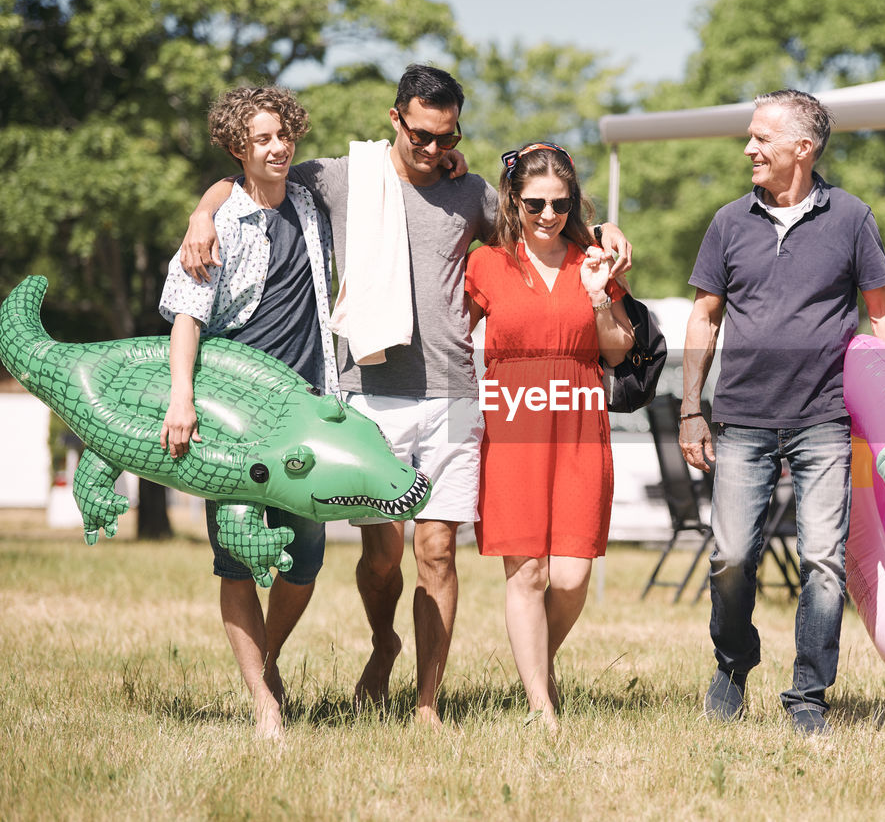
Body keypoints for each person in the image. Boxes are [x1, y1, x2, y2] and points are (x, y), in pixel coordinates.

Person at [178, 65, 632, 729]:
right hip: (366, 389)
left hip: (451, 393)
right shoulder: (344, 179)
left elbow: (545, 226)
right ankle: (384, 639)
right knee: (381, 551)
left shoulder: (470, 192)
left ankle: (426, 702)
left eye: (445, 136)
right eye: (420, 133)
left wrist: (609, 230)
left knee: (438, 549)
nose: (431, 148)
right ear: (396, 119)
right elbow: (256, 174)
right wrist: (202, 210)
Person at [679, 89, 885, 736]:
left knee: (823, 560)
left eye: (761, 138)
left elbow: (884, 310)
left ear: (801, 149)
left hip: (824, 417)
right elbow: (704, 315)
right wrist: (691, 409)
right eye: (750, 137)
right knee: (730, 556)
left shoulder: (851, 217)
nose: (749, 148)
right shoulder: (728, 222)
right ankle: (732, 662)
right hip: (744, 415)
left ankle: (808, 693)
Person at [158, 86, 336, 740]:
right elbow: (185, 316)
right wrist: (183, 396)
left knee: (306, 555)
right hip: (231, 414)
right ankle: (264, 702)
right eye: (261, 138)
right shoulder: (221, 222)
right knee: (235, 556)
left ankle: (267, 657)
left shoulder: (312, 204)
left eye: (283, 134)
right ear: (239, 148)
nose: (277, 146)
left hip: (307, 412)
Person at [464, 143, 633, 732]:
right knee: (527, 570)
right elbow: (448, 334)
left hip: (581, 415)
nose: (546, 214)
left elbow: (616, 350)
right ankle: (541, 704)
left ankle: (538, 663)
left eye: (559, 204)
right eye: (534, 202)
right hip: (513, 419)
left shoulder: (593, 259)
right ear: (513, 199)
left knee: (570, 574)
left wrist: (596, 294)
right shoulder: (485, 262)